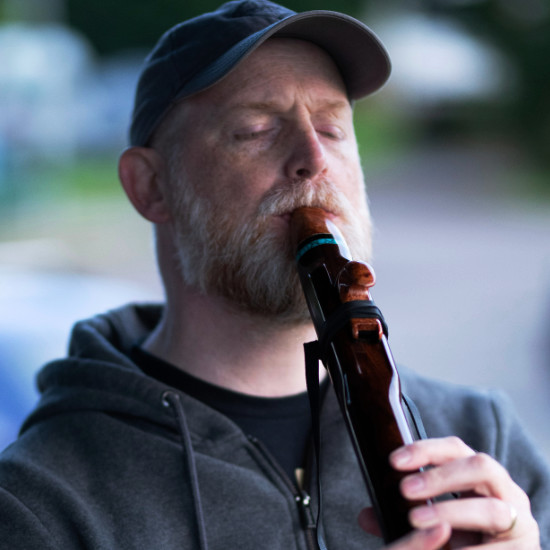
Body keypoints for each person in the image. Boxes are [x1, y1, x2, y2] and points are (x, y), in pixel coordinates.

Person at [0, 1, 548, 548]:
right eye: (256, 128)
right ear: (151, 186)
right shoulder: (39, 503)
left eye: (333, 128)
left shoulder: (481, 440)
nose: (313, 158)